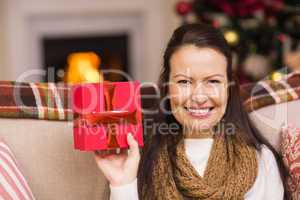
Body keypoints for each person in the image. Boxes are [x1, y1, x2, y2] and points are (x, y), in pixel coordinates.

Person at [95, 23, 288, 200]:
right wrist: (122, 184)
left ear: (228, 88)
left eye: (213, 81)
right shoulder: (140, 160)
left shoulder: (261, 161)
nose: (199, 96)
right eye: (184, 82)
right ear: (167, 87)